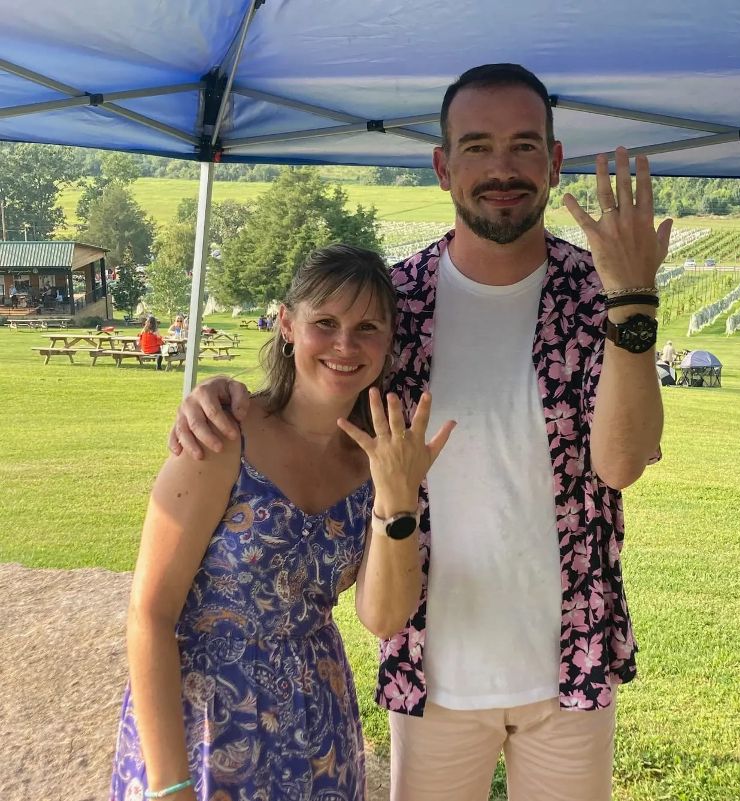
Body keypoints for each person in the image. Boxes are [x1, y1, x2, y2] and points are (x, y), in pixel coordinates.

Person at [169, 63, 669, 801]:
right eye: (477, 147)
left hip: (570, 668)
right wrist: (226, 396)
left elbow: (621, 463)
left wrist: (632, 298)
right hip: (431, 669)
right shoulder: (393, 306)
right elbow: (310, 399)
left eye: (525, 145)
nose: (502, 168)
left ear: (555, 161)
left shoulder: (599, 292)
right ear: (442, 165)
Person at [110, 244, 455, 801]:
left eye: (368, 326)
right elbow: (149, 616)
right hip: (201, 723)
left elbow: (385, 618)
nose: (345, 344)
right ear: (288, 324)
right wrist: (170, 785)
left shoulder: (379, 462)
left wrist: (397, 496)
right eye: (325, 322)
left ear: (389, 342)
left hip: (318, 727)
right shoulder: (222, 435)